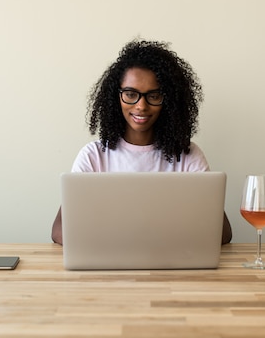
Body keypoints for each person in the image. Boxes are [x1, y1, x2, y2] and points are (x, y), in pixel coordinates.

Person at [51, 39, 232, 245]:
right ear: (115, 97)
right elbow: (59, 231)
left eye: (153, 95)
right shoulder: (94, 156)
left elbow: (223, 233)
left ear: (169, 100)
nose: (141, 106)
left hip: (170, 268)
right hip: (109, 268)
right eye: (130, 94)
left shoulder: (187, 154)